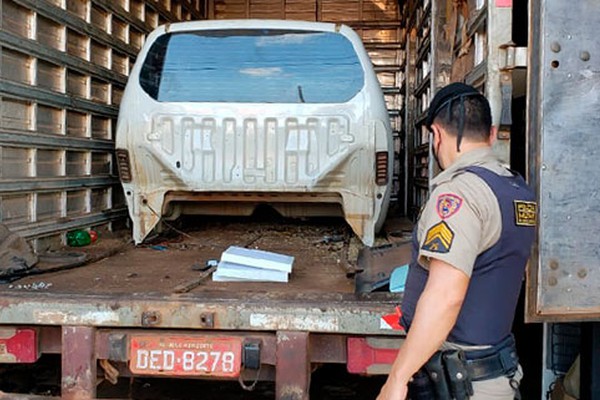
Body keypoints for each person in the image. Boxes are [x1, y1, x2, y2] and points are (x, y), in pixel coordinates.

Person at [377, 82, 537, 400]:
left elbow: (446, 297)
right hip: (494, 370)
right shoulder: (516, 190)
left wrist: (397, 379)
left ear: (436, 135)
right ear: (490, 135)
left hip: (462, 383)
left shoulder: (459, 194)